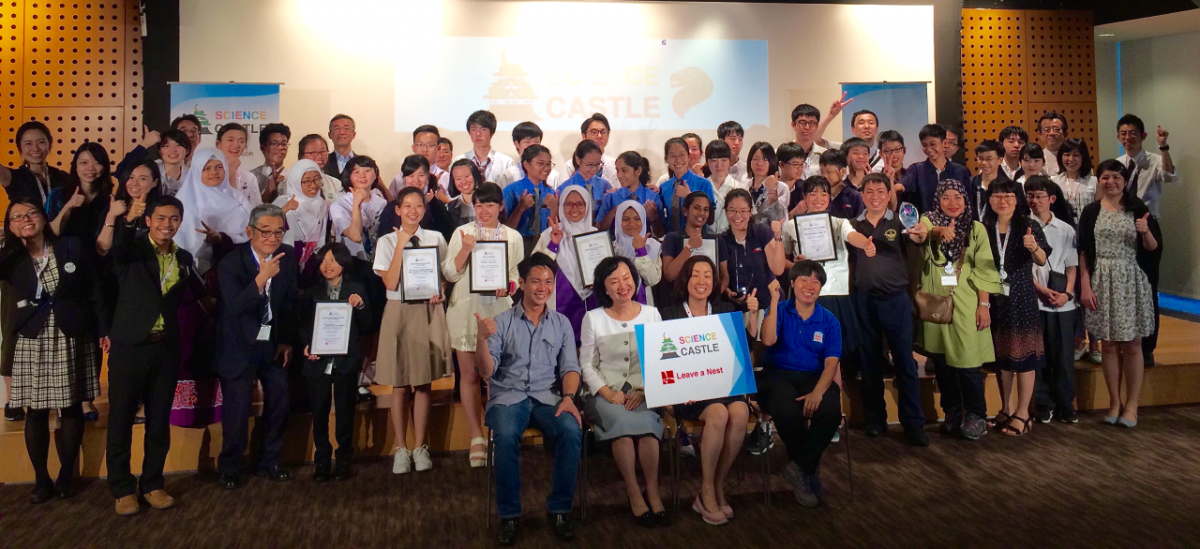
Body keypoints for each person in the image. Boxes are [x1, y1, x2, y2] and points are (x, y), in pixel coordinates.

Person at [1, 199, 105, 503]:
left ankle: (64, 476)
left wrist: (104, 328)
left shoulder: (71, 246)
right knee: (35, 411)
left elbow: (93, 288)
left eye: (31, 213)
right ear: (9, 226)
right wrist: (13, 243)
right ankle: (41, 479)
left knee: (71, 406)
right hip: (32, 337)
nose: (26, 219)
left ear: (44, 218)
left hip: (71, 332)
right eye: (17, 217)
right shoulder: (11, 258)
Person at [476, 253, 582, 545]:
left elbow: (570, 368)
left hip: (548, 397)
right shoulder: (501, 322)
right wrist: (481, 339)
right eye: (536, 281)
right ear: (521, 283)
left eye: (549, 282)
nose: (543, 287)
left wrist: (570, 397)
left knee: (572, 431)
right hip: (508, 397)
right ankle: (509, 515)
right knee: (507, 435)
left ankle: (560, 509)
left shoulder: (561, 323)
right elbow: (486, 372)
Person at [103, 196, 193, 515]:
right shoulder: (133, 250)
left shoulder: (184, 258)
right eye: (160, 218)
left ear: (180, 222)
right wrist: (128, 220)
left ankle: (153, 484)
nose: (166, 224)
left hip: (165, 348)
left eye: (173, 219)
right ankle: (122, 489)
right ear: (149, 221)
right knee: (121, 421)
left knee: (158, 422)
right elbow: (119, 248)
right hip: (129, 346)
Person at [662, 255, 758, 524]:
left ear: (714, 281)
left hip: (724, 385)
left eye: (707, 275)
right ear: (686, 279)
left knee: (739, 412)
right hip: (688, 391)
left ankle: (716, 485)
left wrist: (751, 313)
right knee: (718, 414)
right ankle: (706, 489)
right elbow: (662, 360)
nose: (701, 281)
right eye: (696, 274)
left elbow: (745, 346)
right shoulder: (669, 314)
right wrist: (671, 395)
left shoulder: (725, 310)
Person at [214, 203, 299, 489]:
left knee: (279, 403)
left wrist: (286, 339)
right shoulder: (231, 263)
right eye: (266, 232)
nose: (273, 238)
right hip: (238, 345)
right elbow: (235, 306)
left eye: (278, 232)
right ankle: (230, 466)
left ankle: (270, 460)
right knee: (236, 411)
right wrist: (261, 278)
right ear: (250, 231)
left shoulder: (287, 258)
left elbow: (289, 303)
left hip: (272, 343)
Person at [579, 256, 666, 527]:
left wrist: (644, 390)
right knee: (624, 431)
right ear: (604, 288)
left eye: (627, 278)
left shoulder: (651, 314)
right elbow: (586, 364)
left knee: (648, 428)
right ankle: (633, 492)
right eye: (614, 281)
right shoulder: (592, 318)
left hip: (644, 392)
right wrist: (606, 392)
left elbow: (661, 358)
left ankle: (651, 490)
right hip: (604, 393)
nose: (622, 285)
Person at [443, 182, 523, 467]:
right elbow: (450, 273)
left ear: (500, 206)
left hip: (498, 310)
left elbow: (516, 275)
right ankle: (476, 436)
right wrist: (465, 250)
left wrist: (509, 286)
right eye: (478, 205)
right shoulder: (462, 233)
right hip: (466, 309)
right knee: (469, 375)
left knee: (496, 376)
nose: (484, 210)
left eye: (490, 205)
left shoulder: (512, 237)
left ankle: (497, 432)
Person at [171, 149, 252, 427]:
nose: (215, 172)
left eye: (219, 167)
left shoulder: (238, 200)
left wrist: (223, 239)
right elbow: (177, 250)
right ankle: (189, 413)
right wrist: (200, 292)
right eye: (208, 168)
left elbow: (252, 238)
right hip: (193, 290)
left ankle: (223, 409)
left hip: (232, 286)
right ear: (196, 171)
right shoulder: (184, 202)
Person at [914, 179, 1000, 440]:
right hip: (937, 304)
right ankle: (952, 411)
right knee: (942, 362)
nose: (952, 203)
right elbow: (921, 232)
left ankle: (976, 415)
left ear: (966, 200)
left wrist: (984, 305)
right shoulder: (929, 220)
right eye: (946, 198)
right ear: (937, 200)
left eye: (958, 198)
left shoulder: (976, 229)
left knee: (967, 362)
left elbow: (985, 269)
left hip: (966, 303)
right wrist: (940, 231)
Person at [374, 187, 451, 474]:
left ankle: (420, 446)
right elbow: (390, 283)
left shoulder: (436, 239)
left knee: (422, 381)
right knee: (399, 382)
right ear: (397, 209)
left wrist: (440, 291)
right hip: (398, 310)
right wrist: (401, 244)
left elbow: (443, 278)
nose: (413, 211)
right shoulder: (386, 241)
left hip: (426, 311)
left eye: (418, 206)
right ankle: (401, 447)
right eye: (407, 206)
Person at [1079, 160, 1160, 428]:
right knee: (1110, 345)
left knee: (1133, 344)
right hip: (1101, 279)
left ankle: (1132, 405)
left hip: (1131, 280)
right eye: (1105, 177)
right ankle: (1114, 402)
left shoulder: (1138, 209)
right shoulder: (1091, 211)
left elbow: (1152, 247)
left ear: (1125, 180)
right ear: (1098, 180)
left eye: (1116, 177)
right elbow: (1083, 251)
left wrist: (1145, 232)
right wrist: (1085, 284)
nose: (1110, 182)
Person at [851, 174, 929, 446]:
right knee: (870, 362)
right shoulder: (853, 225)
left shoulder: (901, 222)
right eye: (869, 191)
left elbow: (918, 241)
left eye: (880, 191)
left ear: (888, 194)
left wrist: (920, 236)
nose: (874, 196)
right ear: (861, 195)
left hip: (896, 300)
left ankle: (914, 424)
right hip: (863, 301)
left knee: (905, 364)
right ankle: (875, 419)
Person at [761, 261, 843, 508]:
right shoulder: (779, 309)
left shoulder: (829, 320)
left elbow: (831, 364)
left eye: (816, 282)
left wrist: (817, 392)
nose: (809, 286)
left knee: (830, 412)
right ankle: (809, 470)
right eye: (804, 280)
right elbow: (768, 340)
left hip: (813, 378)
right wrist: (774, 302)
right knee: (787, 412)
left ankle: (799, 468)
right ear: (793, 283)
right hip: (777, 375)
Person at [782, 176, 873, 376]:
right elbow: (784, 261)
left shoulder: (840, 223)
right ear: (804, 198)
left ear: (829, 198)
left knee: (833, 355)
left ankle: (833, 402)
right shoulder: (790, 226)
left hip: (835, 292)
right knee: (806, 351)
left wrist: (865, 243)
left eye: (823, 193)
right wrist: (796, 265)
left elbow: (852, 237)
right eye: (812, 193)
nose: (818, 198)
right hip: (805, 295)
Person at [982, 179, 1049, 437]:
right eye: (997, 196)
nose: (1003, 201)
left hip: (1021, 298)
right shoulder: (985, 227)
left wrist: (1034, 248)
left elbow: (1042, 260)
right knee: (1004, 358)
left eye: (1008, 196)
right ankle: (1006, 408)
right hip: (995, 299)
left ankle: (1023, 413)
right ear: (989, 200)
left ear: (1017, 199)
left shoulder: (1028, 225)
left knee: (1024, 357)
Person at [299, 242, 371, 482]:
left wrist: (359, 306)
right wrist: (307, 345)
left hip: (345, 361)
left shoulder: (356, 289)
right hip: (317, 361)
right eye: (322, 261)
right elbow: (303, 326)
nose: (327, 265)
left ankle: (343, 460)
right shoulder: (311, 293)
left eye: (332, 260)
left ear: (344, 262)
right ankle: (321, 460)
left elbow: (367, 325)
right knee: (319, 411)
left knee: (345, 411)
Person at [1115, 115, 1172, 366]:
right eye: (1123, 134)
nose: (1128, 138)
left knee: (1148, 289)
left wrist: (1163, 145)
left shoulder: (1156, 160)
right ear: (1118, 137)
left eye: (1133, 133)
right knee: (1124, 289)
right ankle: (1126, 343)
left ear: (1143, 136)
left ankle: (1147, 347)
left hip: (1148, 226)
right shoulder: (1116, 165)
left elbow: (1170, 175)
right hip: (1121, 228)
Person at [1026, 177, 1080, 424]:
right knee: (1039, 357)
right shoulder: (1023, 227)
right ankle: (1043, 406)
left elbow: (1072, 265)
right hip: (1034, 301)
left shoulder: (1066, 229)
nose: (1034, 201)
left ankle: (1066, 405)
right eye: (1030, 196)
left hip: (1063, 303)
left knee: (1064, 358)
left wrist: (1068, 293)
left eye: (1039, 196)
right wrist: (1038, 289)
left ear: (1052, 199)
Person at [533, 186, 596, 339]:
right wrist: (553, 245)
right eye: (568, 204)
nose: (574, 208)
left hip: (592, 299)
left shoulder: (596, 235)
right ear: (561, 206)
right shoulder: (549, 234)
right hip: (561, 299)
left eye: (580, 204)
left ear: (587, 206)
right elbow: (534, 268)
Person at [719, 189, 784, 312]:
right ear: (726, 212)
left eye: (743, 211)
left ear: (750, 212)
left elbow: (778, 269)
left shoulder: (761, 232)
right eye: (732, 210)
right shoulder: (722, 240)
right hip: (738, 308)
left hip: (767, 304)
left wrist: (778, 237)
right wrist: (728, 293)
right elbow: (724, 277)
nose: (737, 216)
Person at [272, 160, 329, 287]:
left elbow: (323, 234)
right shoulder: (282, 201)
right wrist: (284, 210)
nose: (313, 185)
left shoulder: (322, 204)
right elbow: (266, 224)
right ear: (296, 181)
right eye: (307, 181)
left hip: (312, 257)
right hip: (287, 255)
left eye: (317, 179)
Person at [47, 142, 114, 241]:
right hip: (66, 255)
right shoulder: (58, 195)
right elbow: (51, 233)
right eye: (84, 163)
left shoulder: (109, 200)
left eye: (97, 162)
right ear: (76, 166)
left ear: (104, 167)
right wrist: (68, 206)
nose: (90, 168)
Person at [899, 124, 972, 214]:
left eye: (933, 144)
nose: (929, 149)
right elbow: (901, 186)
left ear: (944, 143)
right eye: (924, 145)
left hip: (954, 225)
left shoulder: (961, 171)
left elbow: (969, 203)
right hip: (926, 225)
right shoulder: (916, 170)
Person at [96, 160, 164, 256]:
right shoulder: (113, 207)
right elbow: (102, 250)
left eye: (142, 179)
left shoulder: (160, 210)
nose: (134, 183)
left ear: (154, 182)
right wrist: (111, 215)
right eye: (131, 177)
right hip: (117, 267)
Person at [379, 155, 454, 240]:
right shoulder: (391, 208)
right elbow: (383, 239)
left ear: (427, 177)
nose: (416, 180)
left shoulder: (437, 206)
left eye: (421, 175)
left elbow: (446, 236)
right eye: (411, 176)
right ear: (404, 178)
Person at [502, 144, 558, 255]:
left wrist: (554, 209)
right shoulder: (511, 190)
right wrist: (521, 208)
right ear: (526, 165)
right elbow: (504, 230)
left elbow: (552, 230)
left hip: (543, 244)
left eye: (548, 164)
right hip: (518, 244)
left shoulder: (551, 193)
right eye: (540, 164)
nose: (546, 168)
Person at [0, 121, 69, 210]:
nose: (35, 148)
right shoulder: (14, 178)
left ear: (50, 144)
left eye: (41, 142)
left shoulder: (62, 177)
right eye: (28, 143)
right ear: (19, 147)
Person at [656, 137, 716, 234]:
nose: (678, 160)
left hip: (697, 240)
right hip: (671, 240)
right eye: (672, 156)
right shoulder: (664, 187)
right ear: (666, 159)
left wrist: (690, 197)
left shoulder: (704, 183)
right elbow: (661, 224)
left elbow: (710, 220)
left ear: (689, 157)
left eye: (681, 155)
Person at [662, 191, 723, 283]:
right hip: (679, 296)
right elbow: (669, 275)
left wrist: (714, 295)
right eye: (696, 208)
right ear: (685, 211)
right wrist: (689, 247)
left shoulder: (717, 240)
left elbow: (724, 276)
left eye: (706, 209)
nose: (702, 213)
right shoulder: (672, 238)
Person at [597, 150, 664, 232]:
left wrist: (654, 218)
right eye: (617, 170)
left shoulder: (652, 197)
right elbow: (600, 229)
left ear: (638, 171)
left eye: (624, 170)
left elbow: (660, 233)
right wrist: (613, 212)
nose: (619, 175)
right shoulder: (611, 197)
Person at [113, 127, 191, 197]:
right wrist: (144, 145)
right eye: (166, 145)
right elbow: (121, 172)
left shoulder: (191, 175)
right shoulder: (149, 168)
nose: (173, 150)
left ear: (187, 150)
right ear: (159, 151)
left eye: (178, 145)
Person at [611, 201, 662, 306]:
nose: (631, 224)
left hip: (645, 307)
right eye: (625, 219)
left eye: (637, 219)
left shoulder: (653, 247)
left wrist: (641, 251)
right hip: (615, 306)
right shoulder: (610, 248)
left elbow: (652, 280)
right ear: (618, 222)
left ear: (643, 220)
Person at [968, 139, 1025, 220]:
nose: (984, 163)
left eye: (989, 159)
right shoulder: (968, 184)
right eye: (980, 158)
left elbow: (1021, 215)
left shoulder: (1013, 187)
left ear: (1000, 160)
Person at [495, 121, 563, 189]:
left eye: (536, 142)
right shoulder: (507, 176)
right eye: (527, 142)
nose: (532, 145)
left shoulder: (553, 176)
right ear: (517, 144)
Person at [458, 110, 514, 184]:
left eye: (483, 129)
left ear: (491, 133)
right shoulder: (459, 161)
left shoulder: (506, 162)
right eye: (473, 129)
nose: (478, 134)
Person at [391, 125, 450, 193]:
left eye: (430, 145)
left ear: (438, 148)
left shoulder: (447, 178)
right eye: (420, 145)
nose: (425, 149)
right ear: (413, 148)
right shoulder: (399, 179)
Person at [214, 123, 261, 208]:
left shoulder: (249, 177)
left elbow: (256, 209)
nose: (236, 145)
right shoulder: (207, 173)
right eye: (230, 140)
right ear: (218, 144)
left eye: (241, 141)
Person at [1050, 137, 1097, 222]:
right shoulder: (1054, 182)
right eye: (1067, 155)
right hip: (1063, 231)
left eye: (1076, 155)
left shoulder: (1094, 182)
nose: (1071, 159)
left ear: (1083, 157)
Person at [564, 113, 618, 183]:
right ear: (584, 136)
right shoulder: (570, 165)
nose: (599, 136)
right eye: (594, 132)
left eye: (603, 132)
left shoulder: (615, 164)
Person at [745, 142, 789, 224]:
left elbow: (779, 219)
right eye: (755, 159)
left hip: (770, 234)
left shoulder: (781, 187)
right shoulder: (744, 186)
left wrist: (772, 191)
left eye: (765, 159)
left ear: (771, 162)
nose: (760, 163)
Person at [562, 140, 613, 208]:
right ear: (578, 160)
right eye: (590, 164)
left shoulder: (604, 185)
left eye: (598, 164)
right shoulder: (565, 188)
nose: (594, 169)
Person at [818, 149, 866, 219]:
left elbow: (860, 223)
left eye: (829, 172)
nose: (825, 176)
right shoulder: (818, 196)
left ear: (843, 171)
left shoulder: (854, 196)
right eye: (822, 171)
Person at [705, 140, 741, 234]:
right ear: (707, 162)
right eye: (714, 161)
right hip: (706, 241)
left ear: (730, 161)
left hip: (732, 240)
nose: (719, 165)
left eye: (723, 160)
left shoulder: (739, 188)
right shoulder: (701, 187)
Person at [296, 134, 345, 201]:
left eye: (323, 151)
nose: (320, 156)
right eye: (313, 152)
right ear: (301, 156)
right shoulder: (292, 182)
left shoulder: (335, 183)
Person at [251, 123, 291, 204]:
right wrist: (270, 188)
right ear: (263, 147)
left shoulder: (292, 176)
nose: (280, 148)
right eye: (274, 143)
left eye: (284, 144)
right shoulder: (252, 177)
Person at [789, 104, 828, 179]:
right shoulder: (779, 153)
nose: (807, 127)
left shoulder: (826, 155)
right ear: (793, 125)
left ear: (817, 126)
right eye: (802, 122)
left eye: (812, 123)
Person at [447, 158, 484, 229]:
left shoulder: (489, 202)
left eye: (467, 176)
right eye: (458, 178)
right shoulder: (450, 207)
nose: (463, 181)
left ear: (475, 175)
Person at [777, 142, 809, 217]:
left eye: (801, 164)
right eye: (795, 164)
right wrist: (795, 212)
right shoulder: (772, 187)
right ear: (782, 164)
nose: (799, 169)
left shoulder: (804, 188)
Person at [1036, 111, 1068, 175]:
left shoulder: (1073, 159)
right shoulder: (1035, 158)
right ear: (1040, 134)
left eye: (1056, 129)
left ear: (1065, 134)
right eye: (1047, 130)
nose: (1051, 133)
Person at [325, 114, 357, 178]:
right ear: (329, 134)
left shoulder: (364, 163)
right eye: (336, 129)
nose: (341, 132)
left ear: (353, 134)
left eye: (346, 128)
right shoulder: (324, 162)